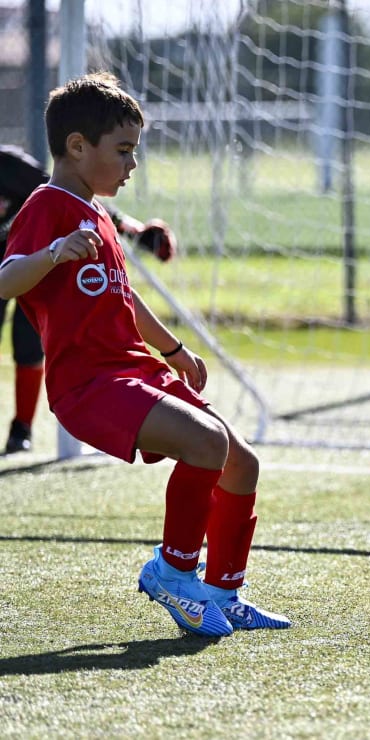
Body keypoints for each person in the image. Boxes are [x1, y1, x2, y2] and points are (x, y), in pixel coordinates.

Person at [0, 72, 288, 637]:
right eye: (124, 150)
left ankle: (222, 592)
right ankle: (172, 572)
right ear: (78, 146)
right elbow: (7, 278)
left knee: (242, 462)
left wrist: (175, 349)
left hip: (135, 369)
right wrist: (54, 253)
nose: (133, 165)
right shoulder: (50, 205)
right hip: (90, 383)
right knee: (207, 444)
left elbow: (123, 298)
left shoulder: (97, 215)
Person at [1, 143, 176, 454]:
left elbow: (71, 196)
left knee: (28, 345)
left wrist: (134, 231)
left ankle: (22, 429)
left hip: (32, 264)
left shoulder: (11, 166)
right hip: (11, 272)